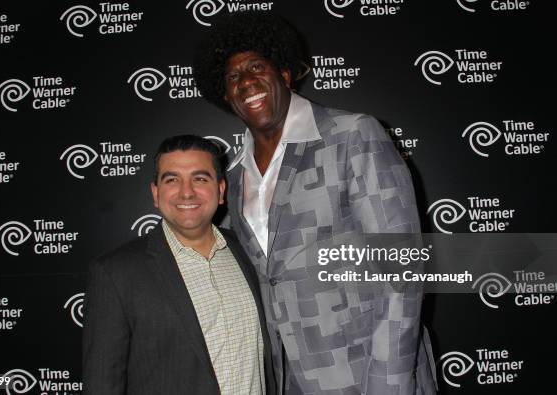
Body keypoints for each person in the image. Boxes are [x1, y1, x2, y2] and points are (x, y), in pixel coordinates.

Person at [193, 12, 437, 395]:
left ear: (285, 73)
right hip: (291, 380)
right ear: (226, 95)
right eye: (233, 77)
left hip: (368, 374)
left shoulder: (351, 134)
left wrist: (388, 384)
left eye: (257, 67)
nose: (247, 82)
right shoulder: (236, 175)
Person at [82, 135, 276, 394]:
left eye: (200, 178)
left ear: (220, 191)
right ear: (156, 193)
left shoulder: (250, 251)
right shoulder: (116, 273)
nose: (186, 191)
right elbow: (102, 384)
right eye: (172, 179)